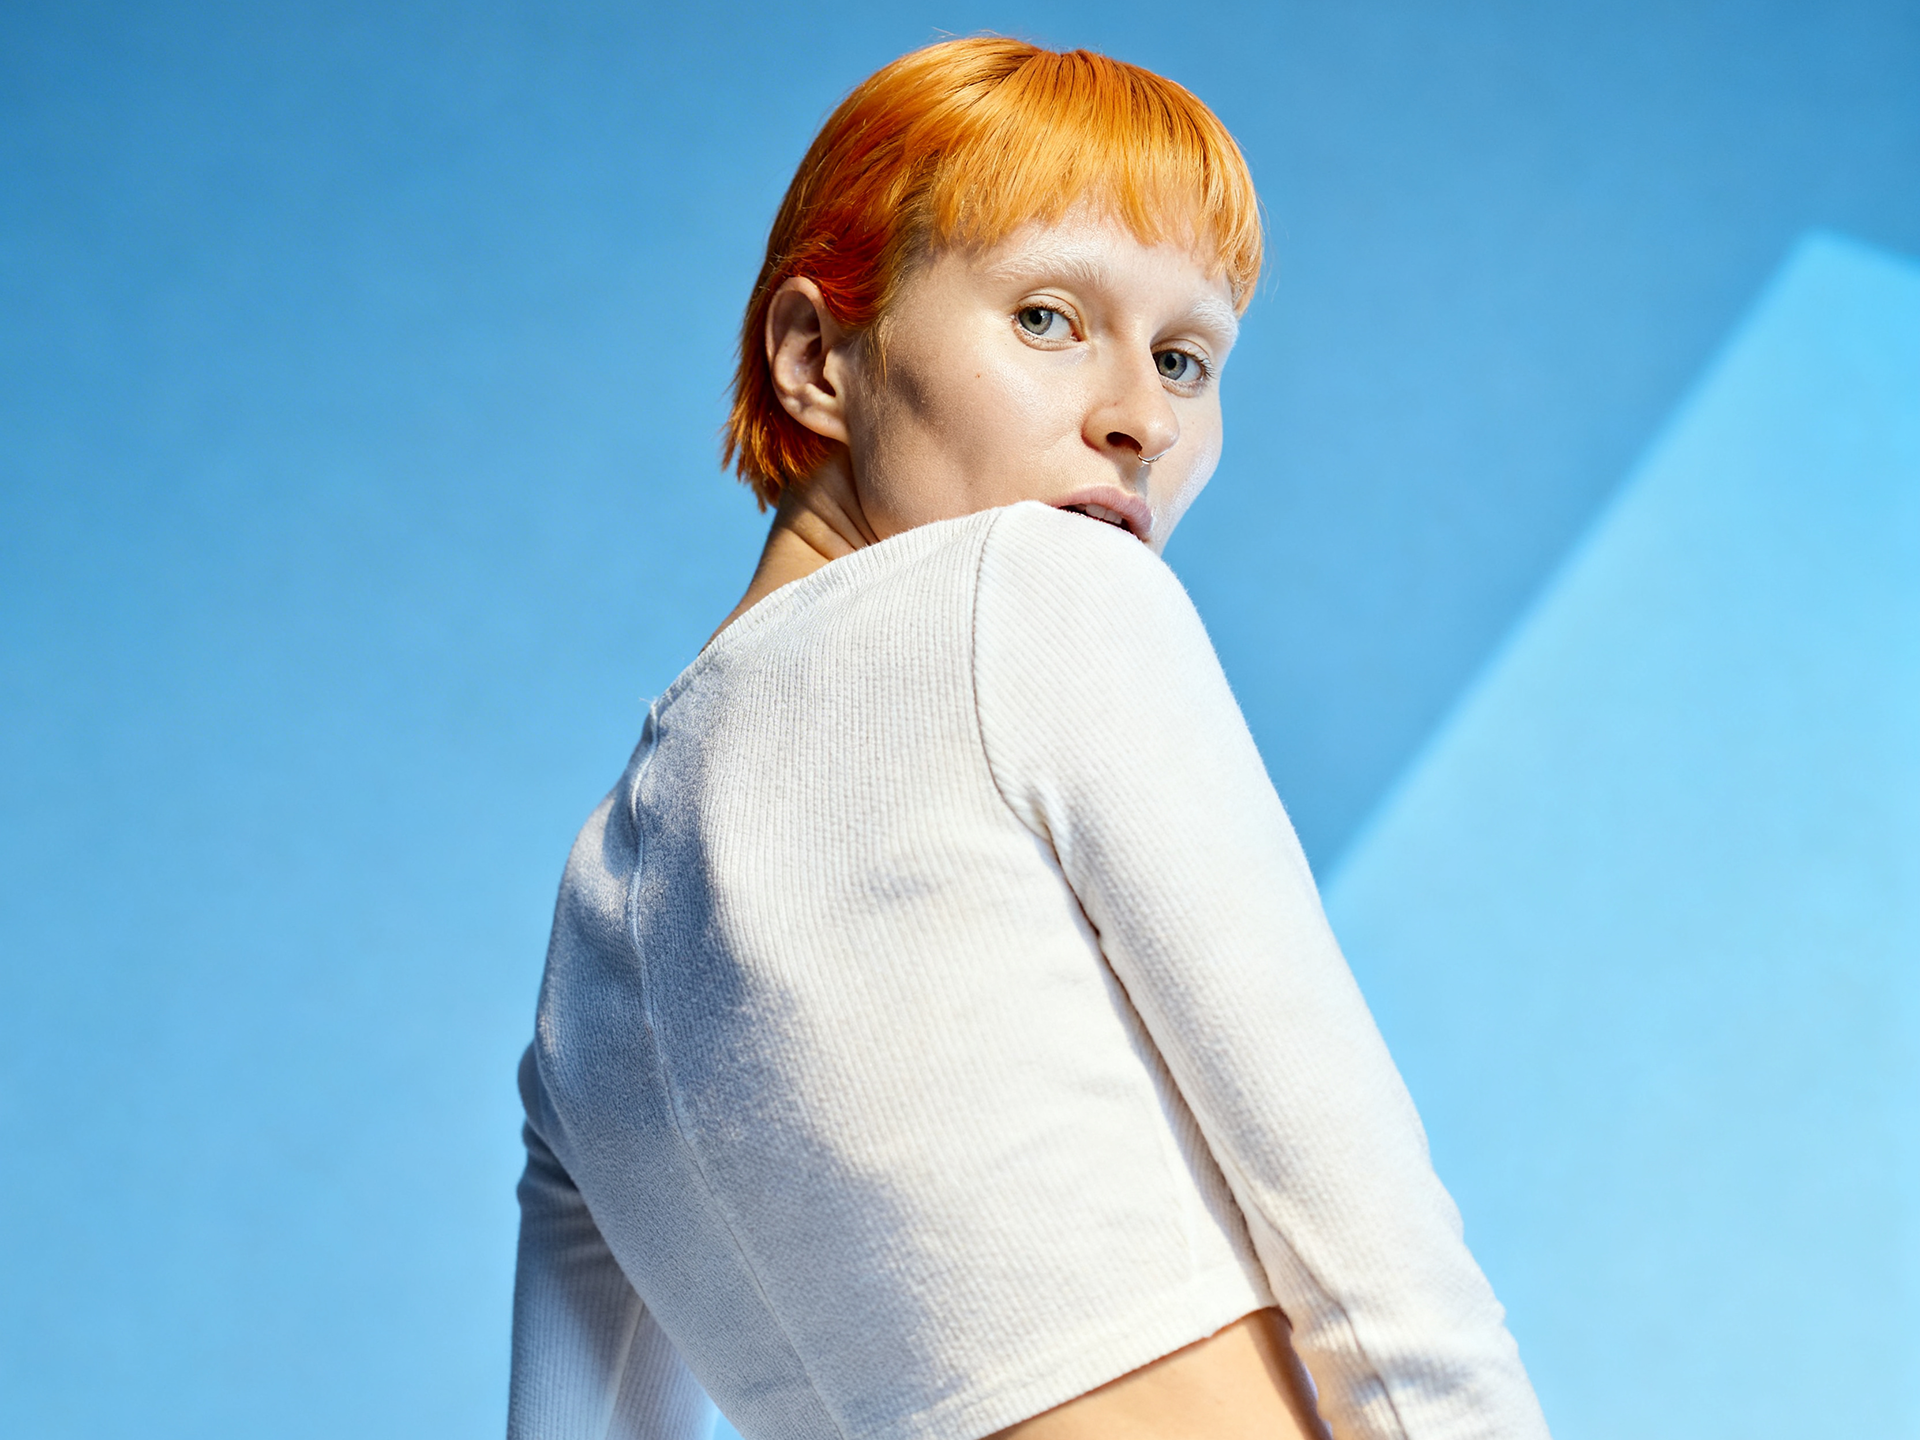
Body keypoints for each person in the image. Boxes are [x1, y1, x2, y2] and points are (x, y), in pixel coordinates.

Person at [507, 37, 1552, 1440]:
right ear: (816, 357)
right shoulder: (1041, 595)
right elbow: (1377, 1261)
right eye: (1049, 318)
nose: (1142, 421)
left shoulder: (590, 935)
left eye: (1184, 358)